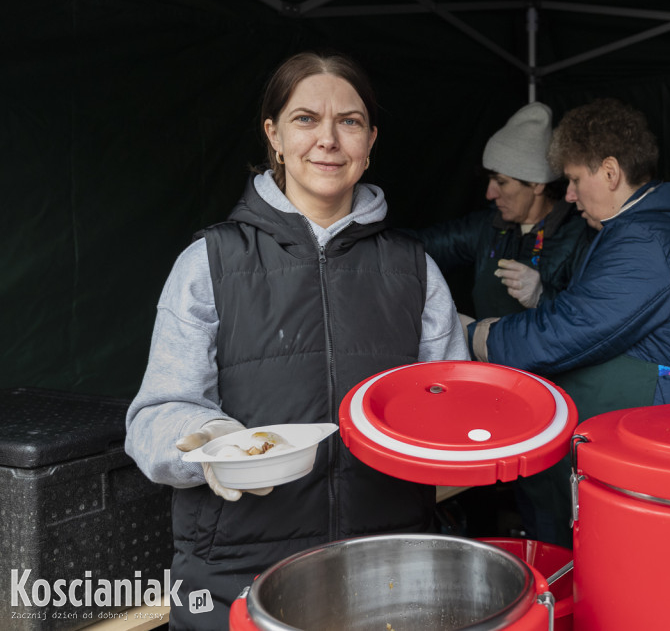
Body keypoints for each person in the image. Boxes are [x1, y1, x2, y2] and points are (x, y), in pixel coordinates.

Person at [125, 51, 469, 630]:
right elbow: (152, 418)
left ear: (370, 141)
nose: (328, 140)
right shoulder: (209, 262)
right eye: (306, 119)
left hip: (387, 568)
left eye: (350, 121)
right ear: (274, 136)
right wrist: (207, 442)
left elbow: (448, 409)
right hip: (238, 570)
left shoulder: (416, 269)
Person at [467, 97, 670, 546]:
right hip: (659, 419)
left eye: (577, 179)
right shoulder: (646, 226)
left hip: (662, 423)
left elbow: (570, 331)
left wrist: (478, 336)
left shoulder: (646, 238)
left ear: (612, 172)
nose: (571, 194)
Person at [408, 102, 593, 319]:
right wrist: (370, 241)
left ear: (537, 184)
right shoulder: (490, 226)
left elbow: (591, 318)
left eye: (501, 182)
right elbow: (423, 246)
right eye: (490, 181)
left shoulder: (580, 236)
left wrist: (543, 295)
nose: (490, 194)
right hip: (487, 351)